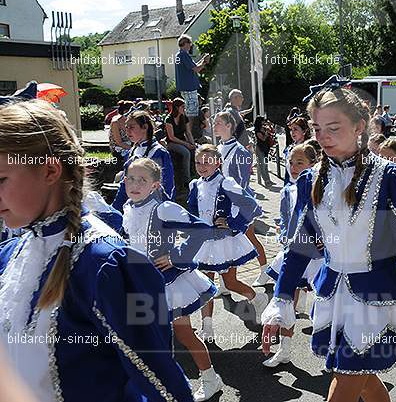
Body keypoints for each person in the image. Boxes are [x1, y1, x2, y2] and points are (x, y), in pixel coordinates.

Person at [0, 100, 195, 402]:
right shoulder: (11, 254)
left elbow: (164, 387)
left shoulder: (107, 264)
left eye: (1, 179)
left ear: (51, 170)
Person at [260, 83, 396, 402]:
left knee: (345, 382)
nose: (323, 137)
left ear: (360, 127)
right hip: (332, 294)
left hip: (374, 298)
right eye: (317, 128)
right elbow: (300, 244)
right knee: (362, 378)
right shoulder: (310, 179)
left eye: (333, 128)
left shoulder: (391, 178)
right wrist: (282, 297)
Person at [122, 158, 223, 401]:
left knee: (184, 334)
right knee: (148, 336)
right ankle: (161, 383)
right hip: (141, 281)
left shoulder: (163, 208)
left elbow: (200, 229)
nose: (135, 184)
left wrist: (176, 256)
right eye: (131, 179)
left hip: (168, 283)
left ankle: (210, 378)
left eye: (142, 180)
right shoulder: (128, 206)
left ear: (155, 185)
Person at [188, 145, 268, 340]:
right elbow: (191, 212)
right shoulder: (195, 185)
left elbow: (251, 206)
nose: (201, 166)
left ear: (218, 163)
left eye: (207, 162)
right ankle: (207, 327)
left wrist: (232, 223)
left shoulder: (226, 183)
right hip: (204, 242)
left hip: (224, 242)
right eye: (198, 162)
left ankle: (257, 298)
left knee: (230, 283)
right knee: (206, 285)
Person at [264, 143, 322, 368]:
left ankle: (332, 349)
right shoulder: (287, 190)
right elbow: (285, 217)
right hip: (295, 252)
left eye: (300, 162)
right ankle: (285, 349)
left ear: (312, 164)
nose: (294, 167)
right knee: (287, 300)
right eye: (290, 162)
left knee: (326, 301)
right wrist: (283, 232)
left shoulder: (318, 186)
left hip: (318, 257)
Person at [212, 111, 271, 286]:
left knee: (249, 237)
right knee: (226, 241)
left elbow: (242, 184)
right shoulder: (219, 148)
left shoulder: (239, 151)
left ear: (229, 126)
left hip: (238, 204)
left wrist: (235, 208)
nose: (214, 126)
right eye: (214, 122)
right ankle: (225, 283)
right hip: (223, 203)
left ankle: (265, 271)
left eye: (218, 123)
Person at [112, 110, 175, 213]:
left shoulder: (158, 152)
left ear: (145, 127)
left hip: (153, 209)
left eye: (131, 127)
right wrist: (114, 210)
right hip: (133, 207)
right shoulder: (132, 151)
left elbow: (167, 186)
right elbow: (125, 184)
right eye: (126, 127)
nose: (127, 131)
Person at [175, 34, 210, 118]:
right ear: (185, 43)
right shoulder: (184, 55)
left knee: (190, 111)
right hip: (189, 88)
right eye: (190, 43)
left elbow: (194, 67)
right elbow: (196, 69)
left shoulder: (179, 55)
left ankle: (189, 130)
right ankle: (190, 130)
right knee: (192, 113)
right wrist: (205, 62)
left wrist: (203, 60)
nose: (191, 46)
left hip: (185, 88)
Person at [165, 97, 196, 183]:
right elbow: (171, 137)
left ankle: (195, 173)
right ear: (176, 107)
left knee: (195, 151)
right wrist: (186, 144)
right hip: (172, 143)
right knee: (186, 153)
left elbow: (188, 132)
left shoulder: (184, 117)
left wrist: (193, 144)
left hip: (182, 141)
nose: (184, 109)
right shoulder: (168, 119)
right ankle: (187, 179)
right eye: (182, 107)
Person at [108, 101, 133, 165]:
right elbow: (119, 142)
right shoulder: (115, 122)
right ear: (125, 112)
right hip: (118, 148)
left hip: (130, 145)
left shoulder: (131, 121)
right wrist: (133, 149)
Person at [254, 116, 275, 187]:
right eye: (263, 120)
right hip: (260, 148)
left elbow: (272, 132)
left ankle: (268, 179)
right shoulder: (257, 130)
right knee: (262, 165)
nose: (264, 122)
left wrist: (270, 126)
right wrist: (266, 134)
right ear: (260, 121)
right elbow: (262, 138)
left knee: (266, 165)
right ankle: (266, 180)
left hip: (266, 148)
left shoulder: (264, 127)